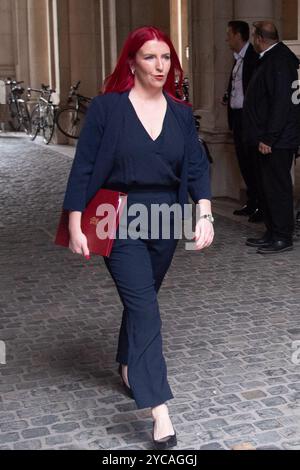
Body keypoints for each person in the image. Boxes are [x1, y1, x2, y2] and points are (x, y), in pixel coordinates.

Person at [62, 26, 214, 449]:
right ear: (132, 62)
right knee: (145, 307)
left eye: (166, 57)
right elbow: (85, 166)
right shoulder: (108, 109)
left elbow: (197, 168)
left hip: (165, 219)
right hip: (117, 217)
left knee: (142, 297)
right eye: (150, 57)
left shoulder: (181, 113)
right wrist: (75, 221)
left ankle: (128, 361)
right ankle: (159, 409)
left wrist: (205, 214)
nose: (160, 65)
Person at [244, 21, 300, 254]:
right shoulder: (272, 57)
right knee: (268, 187)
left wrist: (269, 137)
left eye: (254, 37)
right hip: (272, 138)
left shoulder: (279, 60)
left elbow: (280, 104)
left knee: (277, 187)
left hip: (278, 140)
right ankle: (272, 231)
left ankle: (282, 236)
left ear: (259, 38)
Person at [224, 20, 261, 222]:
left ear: (239, 35)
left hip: (249, 119)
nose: (227, 38)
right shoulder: (237, 58)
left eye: (229, 34)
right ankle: (252, 201)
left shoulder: (253, 57)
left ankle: (260, 204)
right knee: (244, 162)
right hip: (237, 118)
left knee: (254, 163)